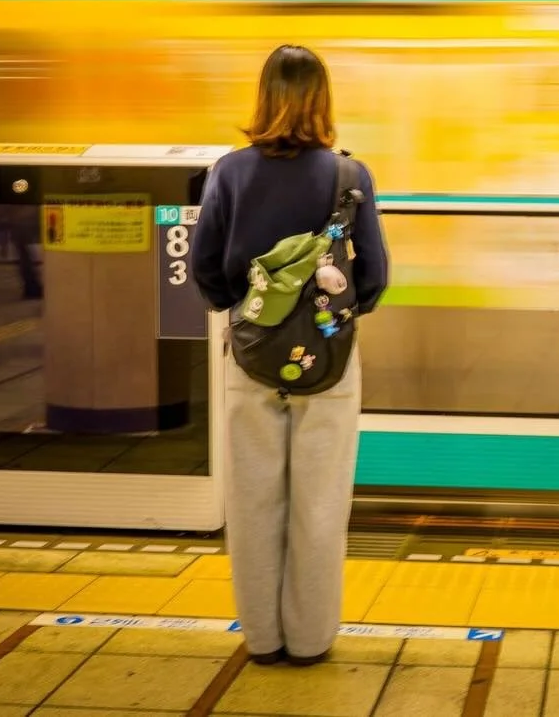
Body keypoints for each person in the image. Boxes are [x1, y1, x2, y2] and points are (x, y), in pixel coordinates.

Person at [191, 45, 388, 667]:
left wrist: (252, 313)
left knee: (252, 501)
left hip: (249, 354)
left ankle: (262, 639)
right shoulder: (348, 176)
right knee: (321, 502)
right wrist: (325, 315)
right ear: (322, 99)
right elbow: (375, 275)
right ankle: (308, 640)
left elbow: (205, 269)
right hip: (328, 356)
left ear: (264, 98)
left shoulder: (229, 171)